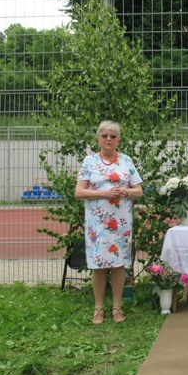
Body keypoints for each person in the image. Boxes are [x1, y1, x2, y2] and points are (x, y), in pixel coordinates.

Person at [75, 121, 143, 325]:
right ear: (98, 139)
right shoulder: (89, 162)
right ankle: (98, 309)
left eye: (113, 136)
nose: (108, 139)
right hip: (97, 223)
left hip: (121, 222)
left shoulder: (126, 161)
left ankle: (117, 308)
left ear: (118, 140)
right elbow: (79, 192)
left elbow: (138, 190)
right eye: (104, 135)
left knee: (119, 264)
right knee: (99, 264)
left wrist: (125, 191)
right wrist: (104, 193)